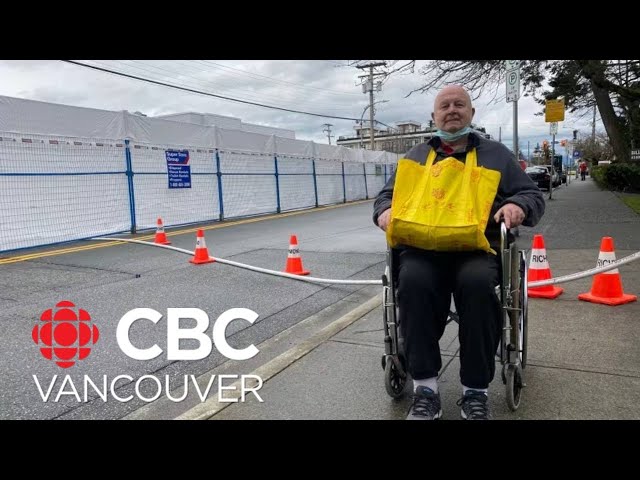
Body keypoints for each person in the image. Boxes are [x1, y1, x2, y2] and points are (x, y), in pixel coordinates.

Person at [373, 85, 545, 420]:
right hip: (423, 249)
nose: (452, 110)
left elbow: (531, 195)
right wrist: (384, 211)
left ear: (471, 113)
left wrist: (516, 205)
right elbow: (385, 196)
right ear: (434, 116)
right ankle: (425, 388)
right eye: (445, 106)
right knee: (413, 282)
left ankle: (475, 392)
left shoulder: (496, 155)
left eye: (459, 105)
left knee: (478, 284)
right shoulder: (415, 158)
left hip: (478, 248)